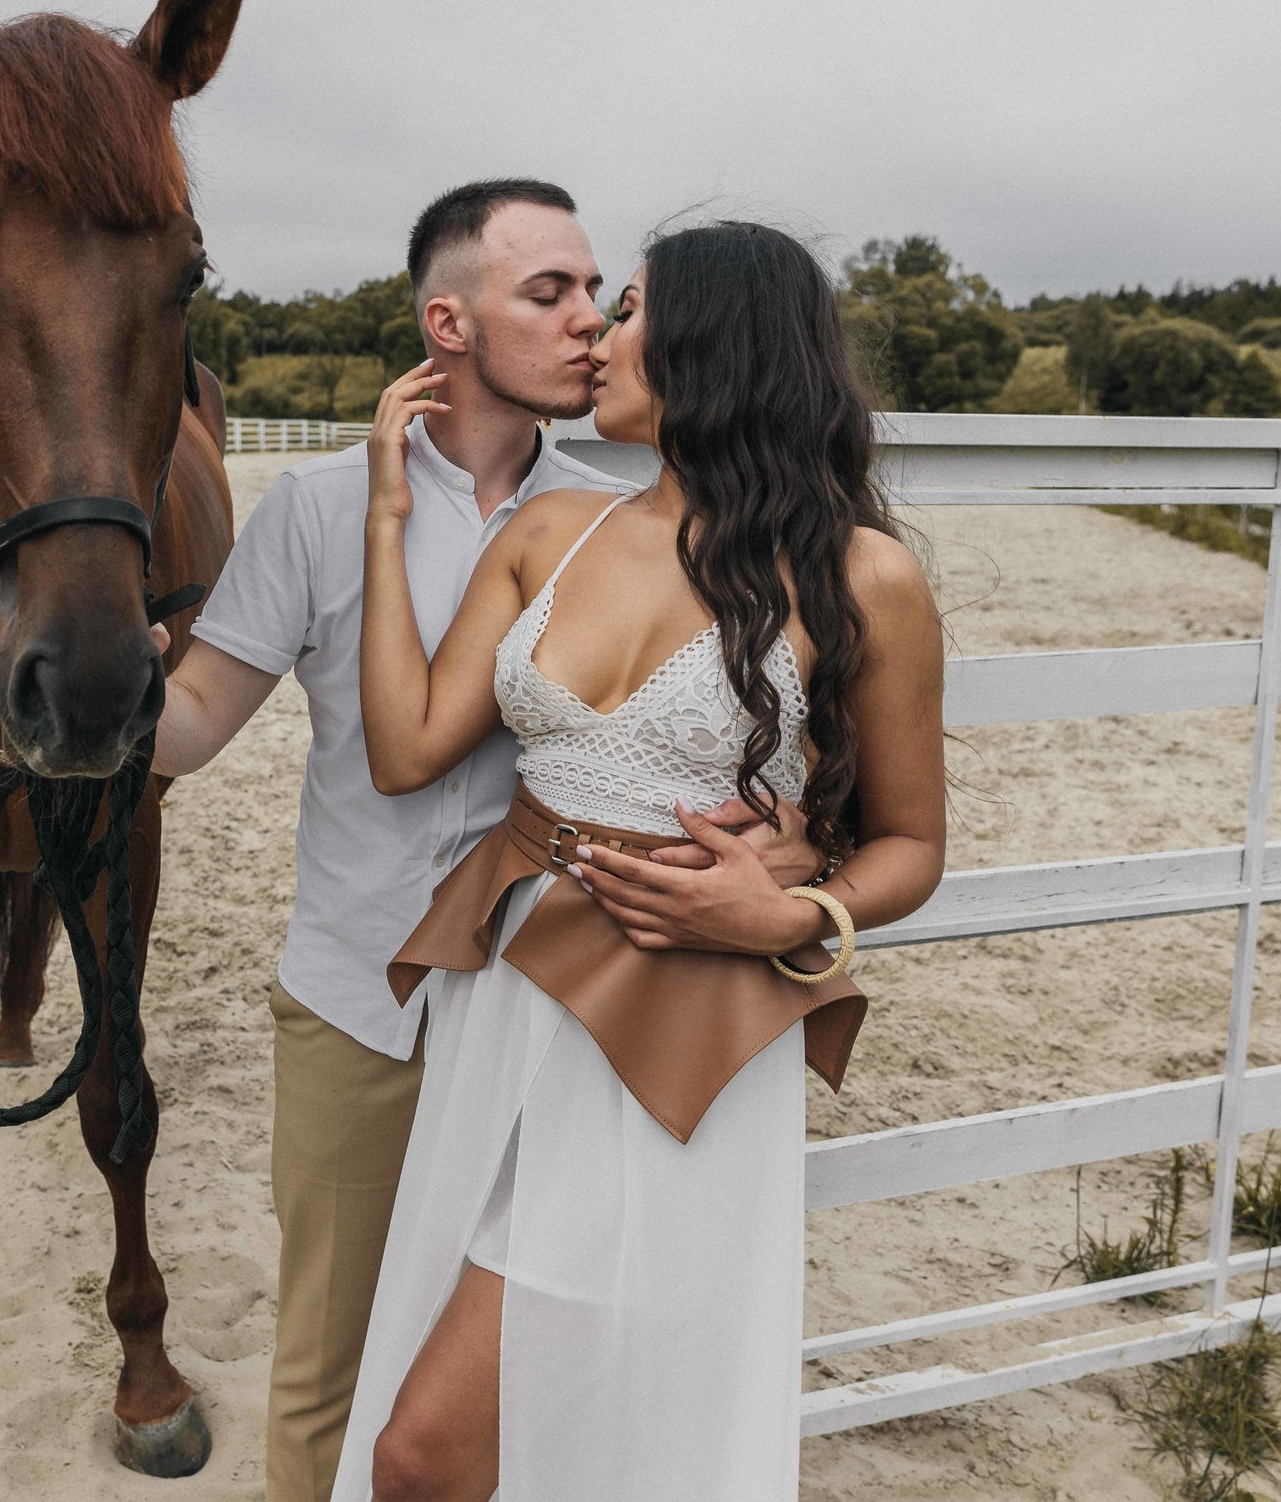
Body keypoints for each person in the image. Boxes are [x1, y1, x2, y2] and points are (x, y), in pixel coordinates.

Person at [149, 183, 832, 1502]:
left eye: (599, 294)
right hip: (367, 994)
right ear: (447, 323)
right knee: (333, 1364)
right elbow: (193, 728)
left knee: (519, 1370)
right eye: (550, 293)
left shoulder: (609, 513)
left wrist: (794, 850)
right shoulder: (314, 507)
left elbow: (735, 725)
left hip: (558, 1010)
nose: (587, 322)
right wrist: (104, 691)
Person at [332, 220, 948, 1502]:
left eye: (626, 312)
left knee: (423, 1455)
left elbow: (912, 845)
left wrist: (792, 916)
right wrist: (384, 520)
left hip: (676, 1022)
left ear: (711, 345)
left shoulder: (862, 575)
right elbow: (404, 749)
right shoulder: (550, 530)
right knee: (494, 1429)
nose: (597, 338)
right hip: (504, 993)